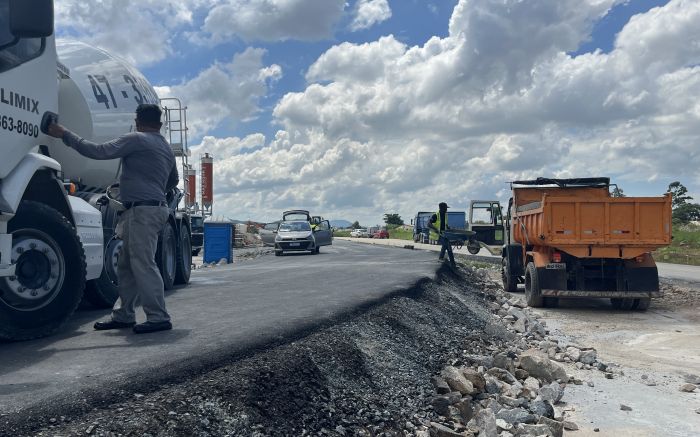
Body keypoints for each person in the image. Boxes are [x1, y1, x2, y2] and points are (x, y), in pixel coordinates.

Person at [47, 104, 178, 334]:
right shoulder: (166, 148)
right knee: (127, 265)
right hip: (152, 209)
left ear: (138, 121)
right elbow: (173, 180)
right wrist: (153, 188)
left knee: (143, 263)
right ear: (159, 123)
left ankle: (158, 317)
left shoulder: (137, 139)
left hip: (141, 211)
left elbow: (98, 151)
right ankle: (124, 315)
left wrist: (65, 134)